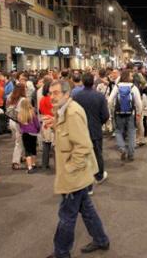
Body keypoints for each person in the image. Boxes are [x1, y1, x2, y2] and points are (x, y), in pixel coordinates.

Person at [45, 80, 110, 258]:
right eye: (51, 93)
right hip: (77, 174)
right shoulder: (64, 111)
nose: (52, 97)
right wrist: (55, 124)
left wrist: (70, 168)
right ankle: (101, 240)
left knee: (67, 215)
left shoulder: (72, 113)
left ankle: (61, 252)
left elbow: (83, 146)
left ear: (67, 94)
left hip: (74, 175)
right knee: (86, 210)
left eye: (56, 93)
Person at [73, 73, 110, 195]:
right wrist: (100, 123)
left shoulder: (77, 96)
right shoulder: (99, 96)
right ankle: (99, 175)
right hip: (95, 128)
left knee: (82, 154)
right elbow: (105, 115)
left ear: (83, 82)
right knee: (97, 152)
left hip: (80, 129)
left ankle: (85, 181)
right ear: (93, 82)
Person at [108, 70, 142, 162]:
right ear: (127, 76)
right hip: (131, 113)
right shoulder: (133, 87)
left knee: (118, 131)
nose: (132, 77)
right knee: (131, 132)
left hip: (118, 113)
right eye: (131, 76)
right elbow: (139, 102)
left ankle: (122, 148)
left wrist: (112, 110)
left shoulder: (117, 86)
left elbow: (110, 100)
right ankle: (131, 154)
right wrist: (139, 113)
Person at [6, 84, 26, 170]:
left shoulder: (10, 97)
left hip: (11, 121)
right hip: (19, 122)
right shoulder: (23, 100)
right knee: (19, 142)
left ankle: (21, 156)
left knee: (18, 140)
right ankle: (15, 162)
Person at [17, 99, 40, 174]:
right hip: (33, 133)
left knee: (27, 150)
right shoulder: (32, 112)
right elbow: (36, 123)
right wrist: (38, 129)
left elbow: (20, 125)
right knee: (33, 149)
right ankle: (33, 164)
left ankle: (29, 167)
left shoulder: (20, 114)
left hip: (25, 134)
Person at [39, 81, 54, 170]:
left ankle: (44, 164)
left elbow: (41, 111)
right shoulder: (52, 99)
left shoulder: (42, 99)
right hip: (52, 121)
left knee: (46, 144)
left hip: (45, 122)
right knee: (56, 145)